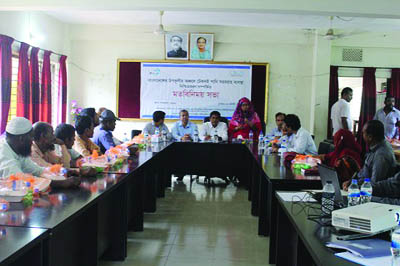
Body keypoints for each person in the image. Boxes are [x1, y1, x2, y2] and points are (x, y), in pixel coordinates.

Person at [0, 117, 80, 187]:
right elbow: (19, 180)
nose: (32, 141)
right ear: (21, 139)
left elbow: (37, 170)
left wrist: (65, 171)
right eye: (31, 137)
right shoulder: (3, 153)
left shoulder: (17, 149)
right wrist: (61, 183)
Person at [343, 120, 397, 190]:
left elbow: (375, 184)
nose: (362, 136)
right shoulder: (374, 147)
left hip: (375, 195)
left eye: (363, 133)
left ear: (370, 137)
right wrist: (352, 182)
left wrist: (355, 188)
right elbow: (364, 174)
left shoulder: (381, 155)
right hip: (366, 188)